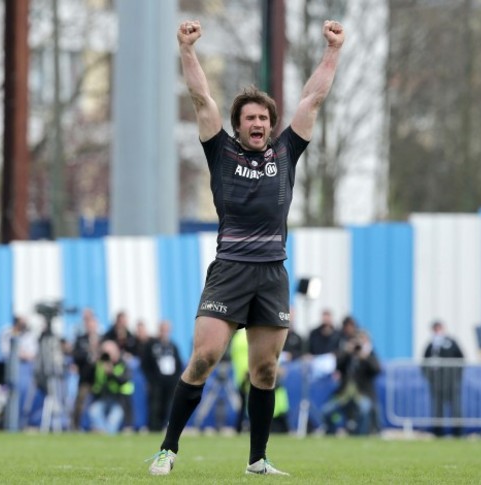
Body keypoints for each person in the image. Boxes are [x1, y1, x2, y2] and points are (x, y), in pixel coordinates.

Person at [149, 18, 344, 476]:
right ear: (237, 126)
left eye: (263, 118)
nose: (257, 123)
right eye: (250, 118)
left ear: (272, 125)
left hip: (272, 273)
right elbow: (201, 97)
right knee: (203, 358)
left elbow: (313, 97)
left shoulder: (286, 153)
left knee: (265, 373)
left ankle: (257, 460)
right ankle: (167, 449)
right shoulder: (221, 152)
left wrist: (333, 50)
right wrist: (187, 49)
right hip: (231, 269)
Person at [320, 330, 380, 435]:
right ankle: (331, 433)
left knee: (364, 409)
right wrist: (347, 352)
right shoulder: (349, 356)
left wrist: (364, 357)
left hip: (362, 394)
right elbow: (337, 366)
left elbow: (377, 370)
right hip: (344, 395)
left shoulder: (370, 355)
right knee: (326, 411)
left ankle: (360, 435)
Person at [423, 320, 465, 437]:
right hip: (437, 383)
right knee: (437, 408)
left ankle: (458, 432)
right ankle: (438, 432)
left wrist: (457, 376)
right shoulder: (431, 346)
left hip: (451, 381)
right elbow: (424, 363)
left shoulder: (451, 342)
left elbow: (461, 358)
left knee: (456, 408)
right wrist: (430, 378)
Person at [140, 320, 183, 432]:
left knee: (168, 405)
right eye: (162, 330)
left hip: (170, 381)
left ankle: (165, 426)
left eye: (166, 330)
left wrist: (175, 379)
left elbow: (178, 364)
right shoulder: (151, 345)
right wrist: (151, 379)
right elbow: (145, 364)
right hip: (156, 382)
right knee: (155, 404)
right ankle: (154, 427)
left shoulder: (172, 346)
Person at [87, 340, 134, 435]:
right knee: (93, 411)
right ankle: (102, 431)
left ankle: (106, 433)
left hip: (120, 400)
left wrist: (111, 373)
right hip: (104, 398)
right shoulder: (99, 365)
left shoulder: (122, 364)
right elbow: (91, 380)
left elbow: (124, 379)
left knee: (114, 419)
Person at [71, 308, 101, 430]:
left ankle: (97, 427)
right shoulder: (81, 339)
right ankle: (75, 426)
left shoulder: (102, 339)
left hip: (99, 378)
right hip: (85, 376)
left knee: (97, 405)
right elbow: (76, 355)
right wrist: (88, 352)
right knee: (80, 403)